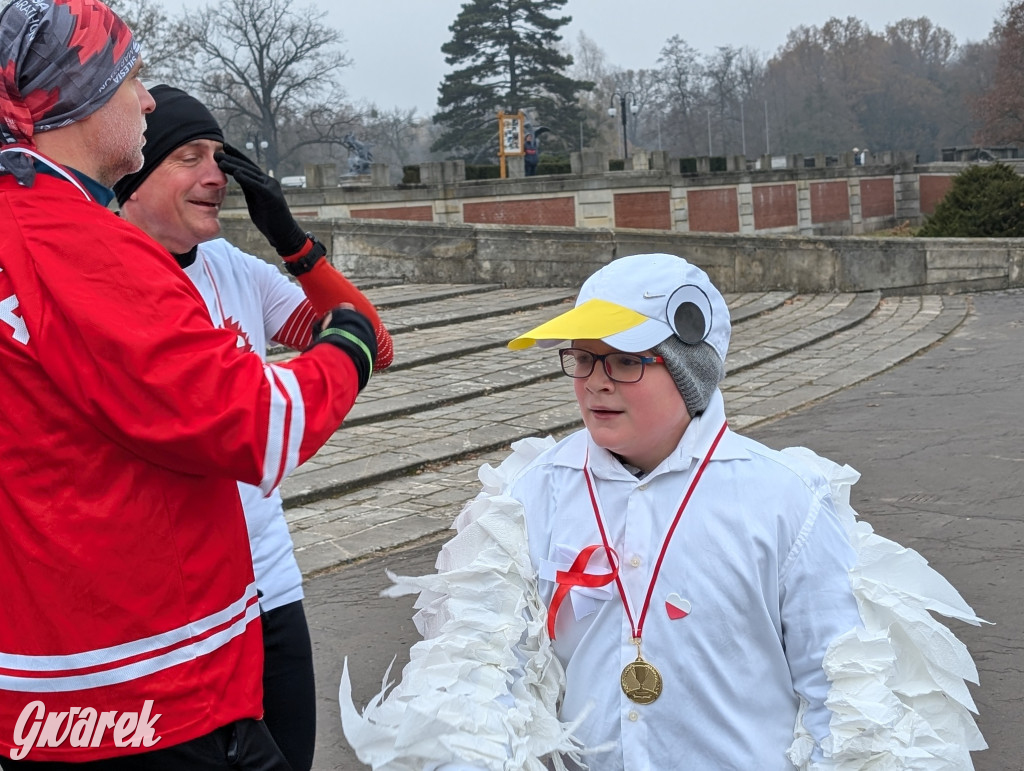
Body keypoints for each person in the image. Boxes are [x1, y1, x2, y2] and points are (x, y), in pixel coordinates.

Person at [340, 253, 987, 770]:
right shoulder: (531, 493)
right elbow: (488, 671)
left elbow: (836, 684)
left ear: (688, 369)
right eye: (583, 357)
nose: (595, 380)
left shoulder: (784, 497)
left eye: (625, 360)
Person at [0, 1, 377, 767]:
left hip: (74, 662)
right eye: (131, 75)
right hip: (145, 680)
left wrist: (298, 248)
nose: (145, 96)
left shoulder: (26, 221)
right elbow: (259, 423)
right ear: (76, 95)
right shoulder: (82, 248)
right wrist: (348, 351)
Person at [112, 85, 393, 771]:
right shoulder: (104, 277)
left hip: (265, 581)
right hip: (168, 603)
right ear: (136, 176)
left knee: (291, 754)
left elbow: (372, 345)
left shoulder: (230, 267)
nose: (216, 175)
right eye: (189, 156)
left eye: (220, 157)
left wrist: (294, 244)